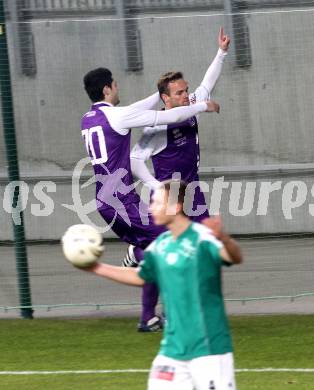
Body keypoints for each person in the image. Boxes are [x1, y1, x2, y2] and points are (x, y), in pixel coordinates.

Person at [81, 68, 220, 331]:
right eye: (115, 84)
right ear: (107, 90)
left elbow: (136, 107)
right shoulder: (119, 116)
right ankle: (172, 308)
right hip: (122, 202)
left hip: (109, 201)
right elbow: (172, 115)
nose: (118, 88)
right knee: (173, 245)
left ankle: (149, 317)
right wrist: (203, 106)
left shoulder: (89, 118)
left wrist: (159, 94)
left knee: (160, 252)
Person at [77, 179, 243, 390]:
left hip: (209, 349)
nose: (150, 207)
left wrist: (225, 238)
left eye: (156, 202)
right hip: (172, 351)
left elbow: (233, 257)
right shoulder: (160, 246)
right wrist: (96, 268)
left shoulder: (203, 238)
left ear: (175, 207)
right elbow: (141, 277)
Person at [130, 27, 230, 222]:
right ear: (165, 98)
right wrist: (156, 187)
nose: (186, 95)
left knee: (204, 242)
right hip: (169, 198)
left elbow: (207, 83)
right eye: (179, 93)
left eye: (186, 90)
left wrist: (221, 52)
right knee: (163, 248)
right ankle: (135, 253)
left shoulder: (192, 105)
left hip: (193, 191)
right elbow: (134, 159)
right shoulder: (156, 127)